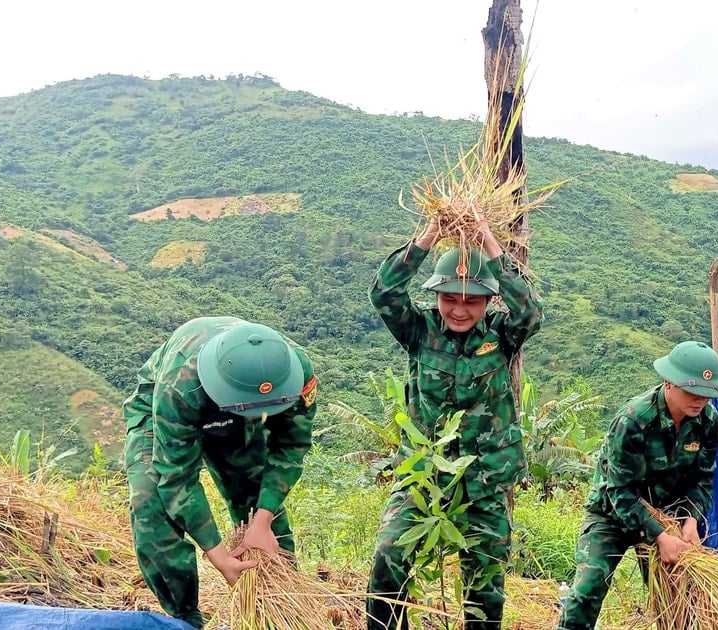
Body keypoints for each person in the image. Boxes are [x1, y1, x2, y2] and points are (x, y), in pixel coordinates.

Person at [366, 216, 543, 630]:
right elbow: (384, 292)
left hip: (484, 479)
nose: (459, 309)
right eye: (449, 298)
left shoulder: (502, 335)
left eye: (472, 300)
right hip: (424, 474)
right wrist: (428, 235)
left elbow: (530, 309)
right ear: (437, 296)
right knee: (390, 554)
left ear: (488, 302)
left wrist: (488, 241)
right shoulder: (419, 331)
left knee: (485, 581)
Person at [122, 316, 318, 628]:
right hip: (163, 411)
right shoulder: (181, 386)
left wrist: (262, 520)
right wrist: (218, 555)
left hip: (242, 409)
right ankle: (184, 616)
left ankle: (282, 602)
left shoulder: (294, 371)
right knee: (150, 505)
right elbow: (176, 478)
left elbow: (291, 446)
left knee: (258, 501)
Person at [555, 341, 718, 630]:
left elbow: (702, 478)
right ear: (669, 382)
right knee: (586, 593)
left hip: (667, 517)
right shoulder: (633, 420)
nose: (700, 400)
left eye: (707, 395)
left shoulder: (708, 422)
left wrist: (690, 520)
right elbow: (618, 491)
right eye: (692, 391)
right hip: (612, 515)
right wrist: (659, 536)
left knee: (677, 603)